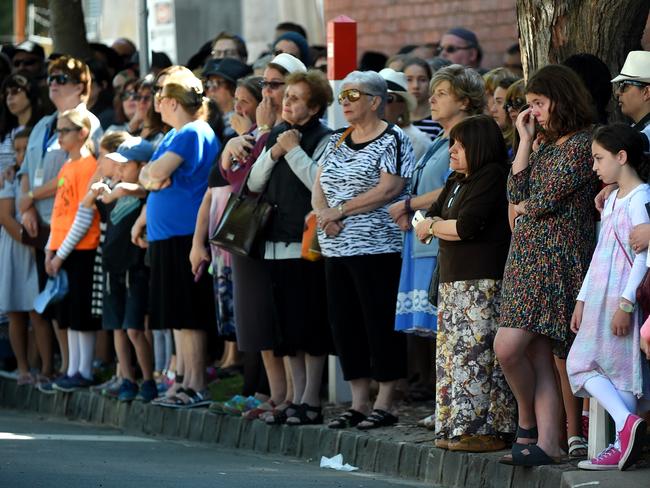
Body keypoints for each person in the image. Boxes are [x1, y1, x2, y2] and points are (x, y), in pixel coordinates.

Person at [494, 64, 599, 466]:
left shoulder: (583, 143)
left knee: (510, 347)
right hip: (525, 256)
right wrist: (524, 140)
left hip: (557, 258)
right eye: (530, 104)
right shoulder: (545, 144)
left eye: (539, 103)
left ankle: (527, 426)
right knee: (534, 353)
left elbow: (542, 200)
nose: (534, 111)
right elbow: (516, 191)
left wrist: (523, 207)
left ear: (562, 98)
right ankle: (547, 441)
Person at [312, 70, 414, 430]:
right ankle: (358, 402)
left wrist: (341, 210)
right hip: (336, 247)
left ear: (376, 101)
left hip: (377, 248)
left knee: (378, 323)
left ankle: (385, 402)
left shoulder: (394, 139)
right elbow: (319, 182)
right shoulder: (336, 140)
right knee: (345, 325)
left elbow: (390, 189)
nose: (346, 103)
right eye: (342, 97)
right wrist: (326, 213)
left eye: (353, 96)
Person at [389, 65, 486, 419]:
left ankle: (447, 404)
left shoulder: (467, 137)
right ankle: (439, 401)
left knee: (444, 325)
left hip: (442, 240)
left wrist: (407, 204)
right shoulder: (439, 139)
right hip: (422, 239)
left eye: (441, 93)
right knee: (433, 330)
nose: (431, 98)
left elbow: (453, 185)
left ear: (464, 99)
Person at [414, 114, 515, 451]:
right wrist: (436, 225)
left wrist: (434, 227)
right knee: (452, 357)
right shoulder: (457, 179)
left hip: (483, 283)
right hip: (454, 283)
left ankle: (487, 429)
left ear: (479, 146)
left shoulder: (491, 176)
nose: (452, 151)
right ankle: (455, 426)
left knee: (478, 356)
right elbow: (433, 218)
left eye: (459, 144)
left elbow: (463, 227)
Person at [216, 55, 308, 421]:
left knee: (277, 320)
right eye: (266, 85)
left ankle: (284, 393)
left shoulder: (282, 131)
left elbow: (249, 182)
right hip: (249, 235)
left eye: (274, 85)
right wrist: (235, 143)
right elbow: (231, 177)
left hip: (277, 233)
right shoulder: (253, 134)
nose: (271, 93)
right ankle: (275, 392)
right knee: (257, 321)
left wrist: (254, 138)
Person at [248, 69, 333, 426]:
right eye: (287, 97)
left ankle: (311, 399)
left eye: (296, 98)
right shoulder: (278, 134)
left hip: (307, 244)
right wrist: (273, 152)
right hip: (273, 242)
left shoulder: (326, 138)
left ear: (313, 108)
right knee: (285, 329)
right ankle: (294, 397)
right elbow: (253, 181)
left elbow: (321, 183)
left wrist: (294, 151)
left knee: (309, 323)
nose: (286, 102)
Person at [567, 123, 650, 471]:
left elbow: (643, 257)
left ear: (621, 156)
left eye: (599, 158)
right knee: (594, 365)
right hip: (601, 295)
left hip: (619, 297)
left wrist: (626, 303)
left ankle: (623, 436)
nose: (594, 166)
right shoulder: (613, 198)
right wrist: (582, 300)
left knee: (607, 367)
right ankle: (626, 433)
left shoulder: (640, 197)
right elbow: (602, 251)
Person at [18, 56, 103, 391]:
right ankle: (67, 367)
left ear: (81, 85)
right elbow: (27, 167)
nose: (53, 82)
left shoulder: (89, 125)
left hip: (76, 235)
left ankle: (81, 367)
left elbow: (79, 185)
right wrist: (26, 204)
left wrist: (34, 194)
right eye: (50, 77)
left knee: (78, 307)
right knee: (57, 304)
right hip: (50, 228)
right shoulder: (43, 124)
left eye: (62, 77)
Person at [138, 69, 220, 408]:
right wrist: (150, 178)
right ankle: (183, 380)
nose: (155, 101)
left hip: (186, 234)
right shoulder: (174, 135)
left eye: (158, 95)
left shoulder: (192, 132)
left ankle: (195, 384)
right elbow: (149, 177)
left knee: (189, 312)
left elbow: (154, 173)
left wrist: (151, 177)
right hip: (168, 235)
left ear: (170, 101)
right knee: (175, 315)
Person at [89, 137, 156, 402]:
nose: (118, 171)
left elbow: (142, 191)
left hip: (135, 267)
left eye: (125, 165)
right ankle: (128, 379)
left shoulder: (145, 191)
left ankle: (149, 380)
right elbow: (91, 202)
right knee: (117, 327)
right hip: (111, 267)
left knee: (134, 329)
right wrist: (102, 186)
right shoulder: (115, 189)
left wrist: (123, 189)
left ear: (141, 166)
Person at [44, 108, 101, 392]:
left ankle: (83, 371)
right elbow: (58, 213)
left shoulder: (90, 166)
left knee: (81, 314)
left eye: (65, 130)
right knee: (67, 314)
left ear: (82, 133)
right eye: (58, 130)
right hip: (63, 250)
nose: (60, 136)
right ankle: (72, 369)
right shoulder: (67, 166)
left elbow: (84, 215)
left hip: (82, 248)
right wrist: (49, 249)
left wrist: (60, 253)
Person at [0, 128, 54, 386]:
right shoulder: (9, 180)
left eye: (25, 149)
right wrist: (31, 240)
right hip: (16, 248)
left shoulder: (37, 177)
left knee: (37, 311)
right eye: (17, 150)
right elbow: (5, 216)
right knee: (15, 311)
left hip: (36, 251)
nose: (21, 155)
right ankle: (23, 368)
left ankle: (45, 367)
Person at [379, 68, 430, 162]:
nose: (379, 104)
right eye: (375, 98)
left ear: (402, 106)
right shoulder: (360, 135)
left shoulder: (417, 141)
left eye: (388, 99)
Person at [0, 73, 46, 176]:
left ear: (31, 93)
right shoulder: (3, 133)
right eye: (6, 94)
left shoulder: (43, 129)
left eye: (15, 91)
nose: (9, 97)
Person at [202, 58, 252, 138]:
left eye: (218, 83)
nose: (211, 89)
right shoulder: (205, 121)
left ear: (235, 88)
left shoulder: (245, 123)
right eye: (209, 83)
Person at [611, 51, 650, 148]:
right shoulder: (634, 130)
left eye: (624, 86)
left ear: (646, 92)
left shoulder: (644, 138)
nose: (617, 92)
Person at [403, 57, 443, 141]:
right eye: (409, 80)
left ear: (430, 82)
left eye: (422, 80)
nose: (416, 86)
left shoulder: (439, 121)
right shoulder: (396, 119)